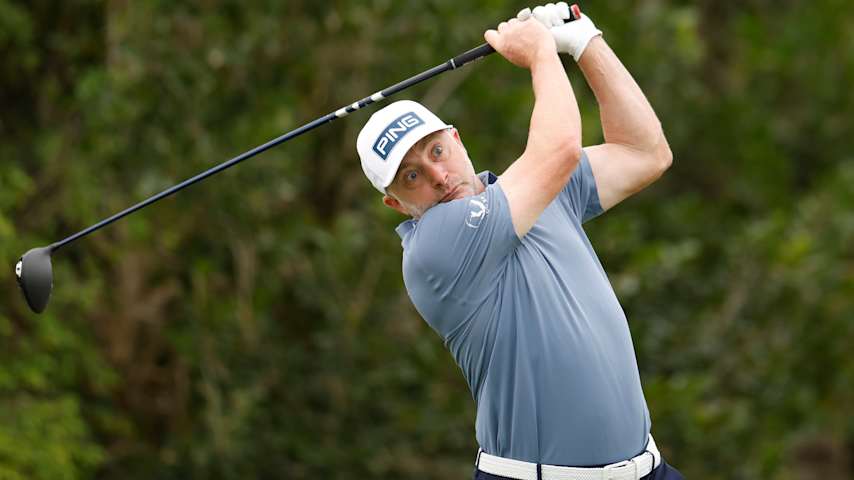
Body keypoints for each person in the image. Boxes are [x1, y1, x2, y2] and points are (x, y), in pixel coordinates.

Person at [356, 3, 682, 479]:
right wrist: (540, 53)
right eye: (412, 176)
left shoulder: (538, 191)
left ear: (457, 139)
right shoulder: (433, 248)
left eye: (437, 151)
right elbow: (561, 149)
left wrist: (585, 41)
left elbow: (645, 152)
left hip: (648, 468)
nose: (438, 176)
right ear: (396, 205)